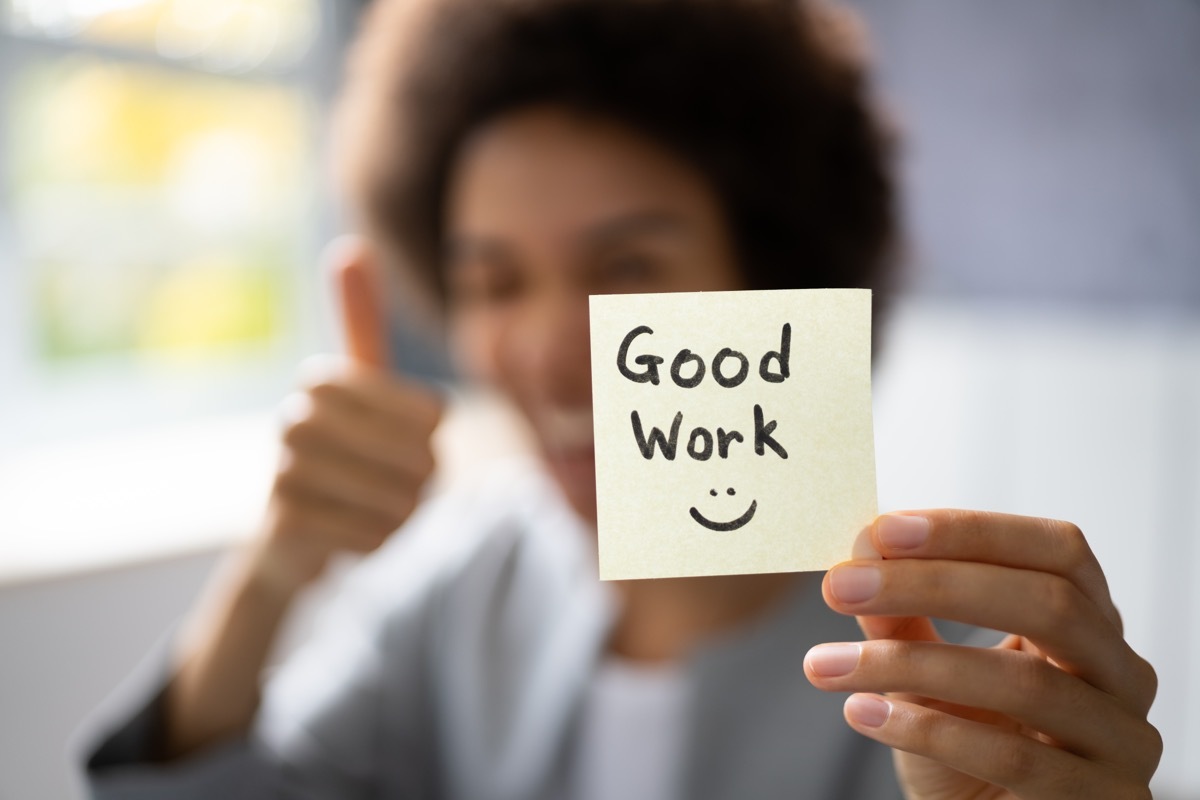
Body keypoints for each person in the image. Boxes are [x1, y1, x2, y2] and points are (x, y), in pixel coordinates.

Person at [79, 0, 1161, 797]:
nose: (551, 353)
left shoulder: (969, 678)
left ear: (779, 281)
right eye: (492, 280)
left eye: (629, 265)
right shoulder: (462, 586)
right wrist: (272, 572)